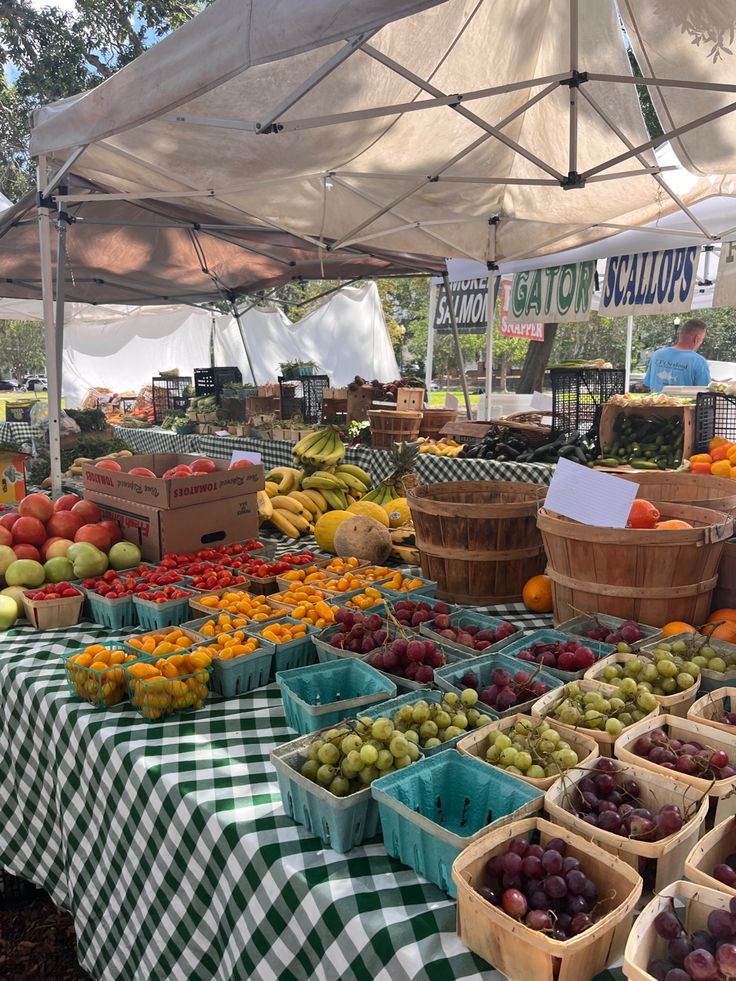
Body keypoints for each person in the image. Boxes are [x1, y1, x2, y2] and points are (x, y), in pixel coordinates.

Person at [643, 318, 711, 392]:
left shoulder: (657, 354)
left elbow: (648, 384)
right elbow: (705, 393)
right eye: (702, 339)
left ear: (680, 335)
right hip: (684, 403)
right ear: (696, 339)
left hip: (654, 402)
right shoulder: (699, 362)